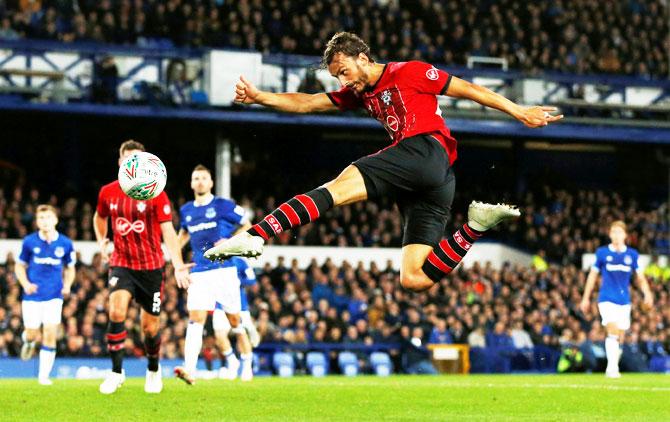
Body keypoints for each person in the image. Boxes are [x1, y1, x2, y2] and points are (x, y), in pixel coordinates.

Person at [205, 32, 561, 292]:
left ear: (362, 57)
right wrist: (258, 97)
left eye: (343, 70)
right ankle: (476, 228)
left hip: (425, 149)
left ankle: (255, 235)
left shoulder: (410, 72)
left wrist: (517, 111)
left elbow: (470, 89)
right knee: (414, 277)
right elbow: (308, 103)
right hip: (435, 178)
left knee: (338, 187)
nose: (342, 80)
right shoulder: (360, 93)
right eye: (336, 76)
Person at [94, 140, 191, 394]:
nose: (132, 164)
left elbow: (168, 231)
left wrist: (178, 265)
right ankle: (116, 372)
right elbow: (99, 216)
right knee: (116, 311)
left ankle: (153, 368)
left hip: (151, 266)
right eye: (128, 160)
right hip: (121, 262)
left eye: (137, 159)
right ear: (120, 163)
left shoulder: (156, 192)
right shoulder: (108, 192)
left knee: (149, 328)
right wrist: (102, 241)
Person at [173, 165, 254, 385]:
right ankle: (190, 369)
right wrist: (175, 259)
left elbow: (248, 226)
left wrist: (231, 242)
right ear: (191, 183)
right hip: (199, 271)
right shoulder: (186, 211)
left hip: (224, 270)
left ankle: (246, 361)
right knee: (195, 318)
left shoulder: (223, 205)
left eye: (204, 178)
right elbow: (181, 238)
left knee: (234, 321)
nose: (199, 181)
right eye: (196, 178)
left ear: (210, 183)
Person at [580, 220, 653, 378]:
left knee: (619, 335)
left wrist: (647, 293)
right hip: (606, 298)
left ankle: (613, 364)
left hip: (624, 301)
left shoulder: (632, 255)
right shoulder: (602, 253)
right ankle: (612, 368)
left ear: (625, 235)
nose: (616, 235)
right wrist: (585, 298)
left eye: (619, 232)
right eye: (613, 232)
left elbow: (640, 278)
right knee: (612, 329)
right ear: (609, 234)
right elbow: (592, 277)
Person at [15, 205, 76, 385]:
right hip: (33, 296)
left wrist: (67, 285)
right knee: (33, 334)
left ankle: (43, 376)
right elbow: (19, 265)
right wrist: (25, 284)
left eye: (48, 217)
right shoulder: (29, 242)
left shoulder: (65, 243)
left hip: (54, 296)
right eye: (41, 218)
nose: (44, 221)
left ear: (55, 220)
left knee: (50, 333)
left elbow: (70, 268)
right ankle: (28, 340)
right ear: (37, 221)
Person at [211, 256, 259, 381]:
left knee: (240, 333)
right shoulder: (215, 259)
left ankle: (247, 366)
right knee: (219, 335)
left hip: (239, 305)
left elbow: (252, 280)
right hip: (220, 304)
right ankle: (232, 361)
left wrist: (235, 280)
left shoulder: (240, 261)